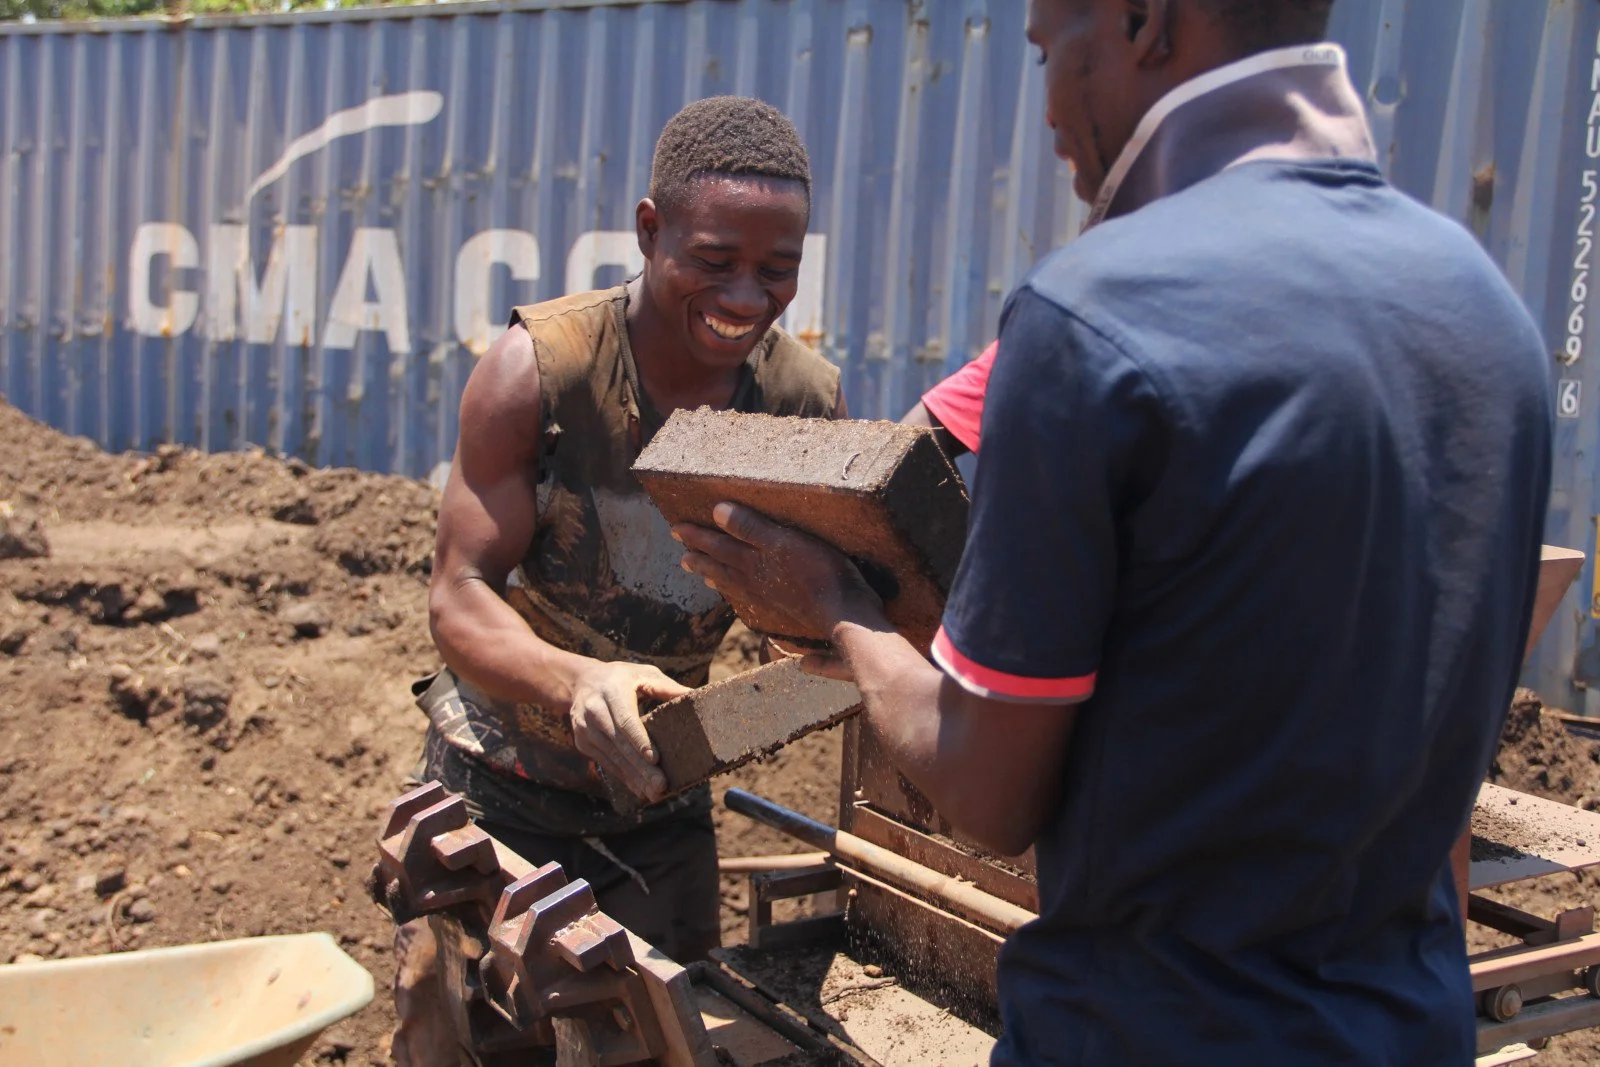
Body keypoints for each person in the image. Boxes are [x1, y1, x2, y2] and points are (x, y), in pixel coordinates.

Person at [674, 1, 1553, 1063]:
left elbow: (988, 794)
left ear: (1143, 23)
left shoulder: (1096, 315)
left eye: (1050, 47)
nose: (1045, 102)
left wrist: (840, 610)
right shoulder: (1486, 313)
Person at [392, 95, 845, 1066]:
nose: (745, 297)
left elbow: (803, 612)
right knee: (482, 1044)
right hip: (499, 795)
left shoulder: (803, 405)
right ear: (649, 230)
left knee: (665, 1044)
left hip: (658, 803)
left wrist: (807, 649)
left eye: (777, 272)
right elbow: (458, 593)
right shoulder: (538, 372)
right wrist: (577, 680)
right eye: (714, 261)